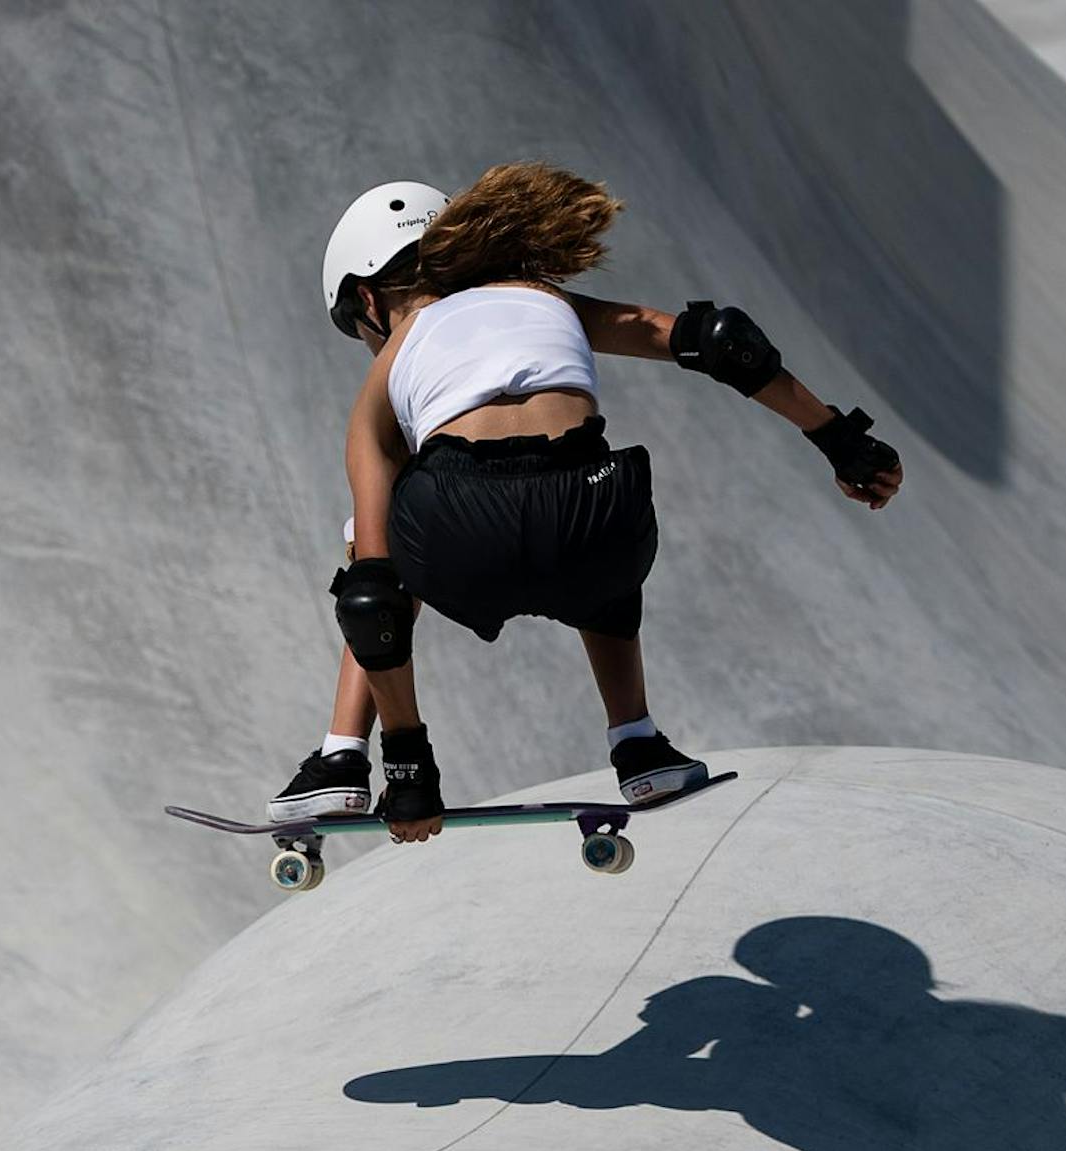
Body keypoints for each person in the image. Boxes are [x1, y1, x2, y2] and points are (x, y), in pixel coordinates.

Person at [269, 162, 904, 842]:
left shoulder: (387, 369)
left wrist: (410, 773)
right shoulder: (545, 297)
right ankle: (638, 744)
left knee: (370, 546)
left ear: (367, 298)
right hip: (596, 520)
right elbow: (720, 342)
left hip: (460, 533)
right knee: (597, 499)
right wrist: (840, 440)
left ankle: (343, 758)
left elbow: (373, 600)